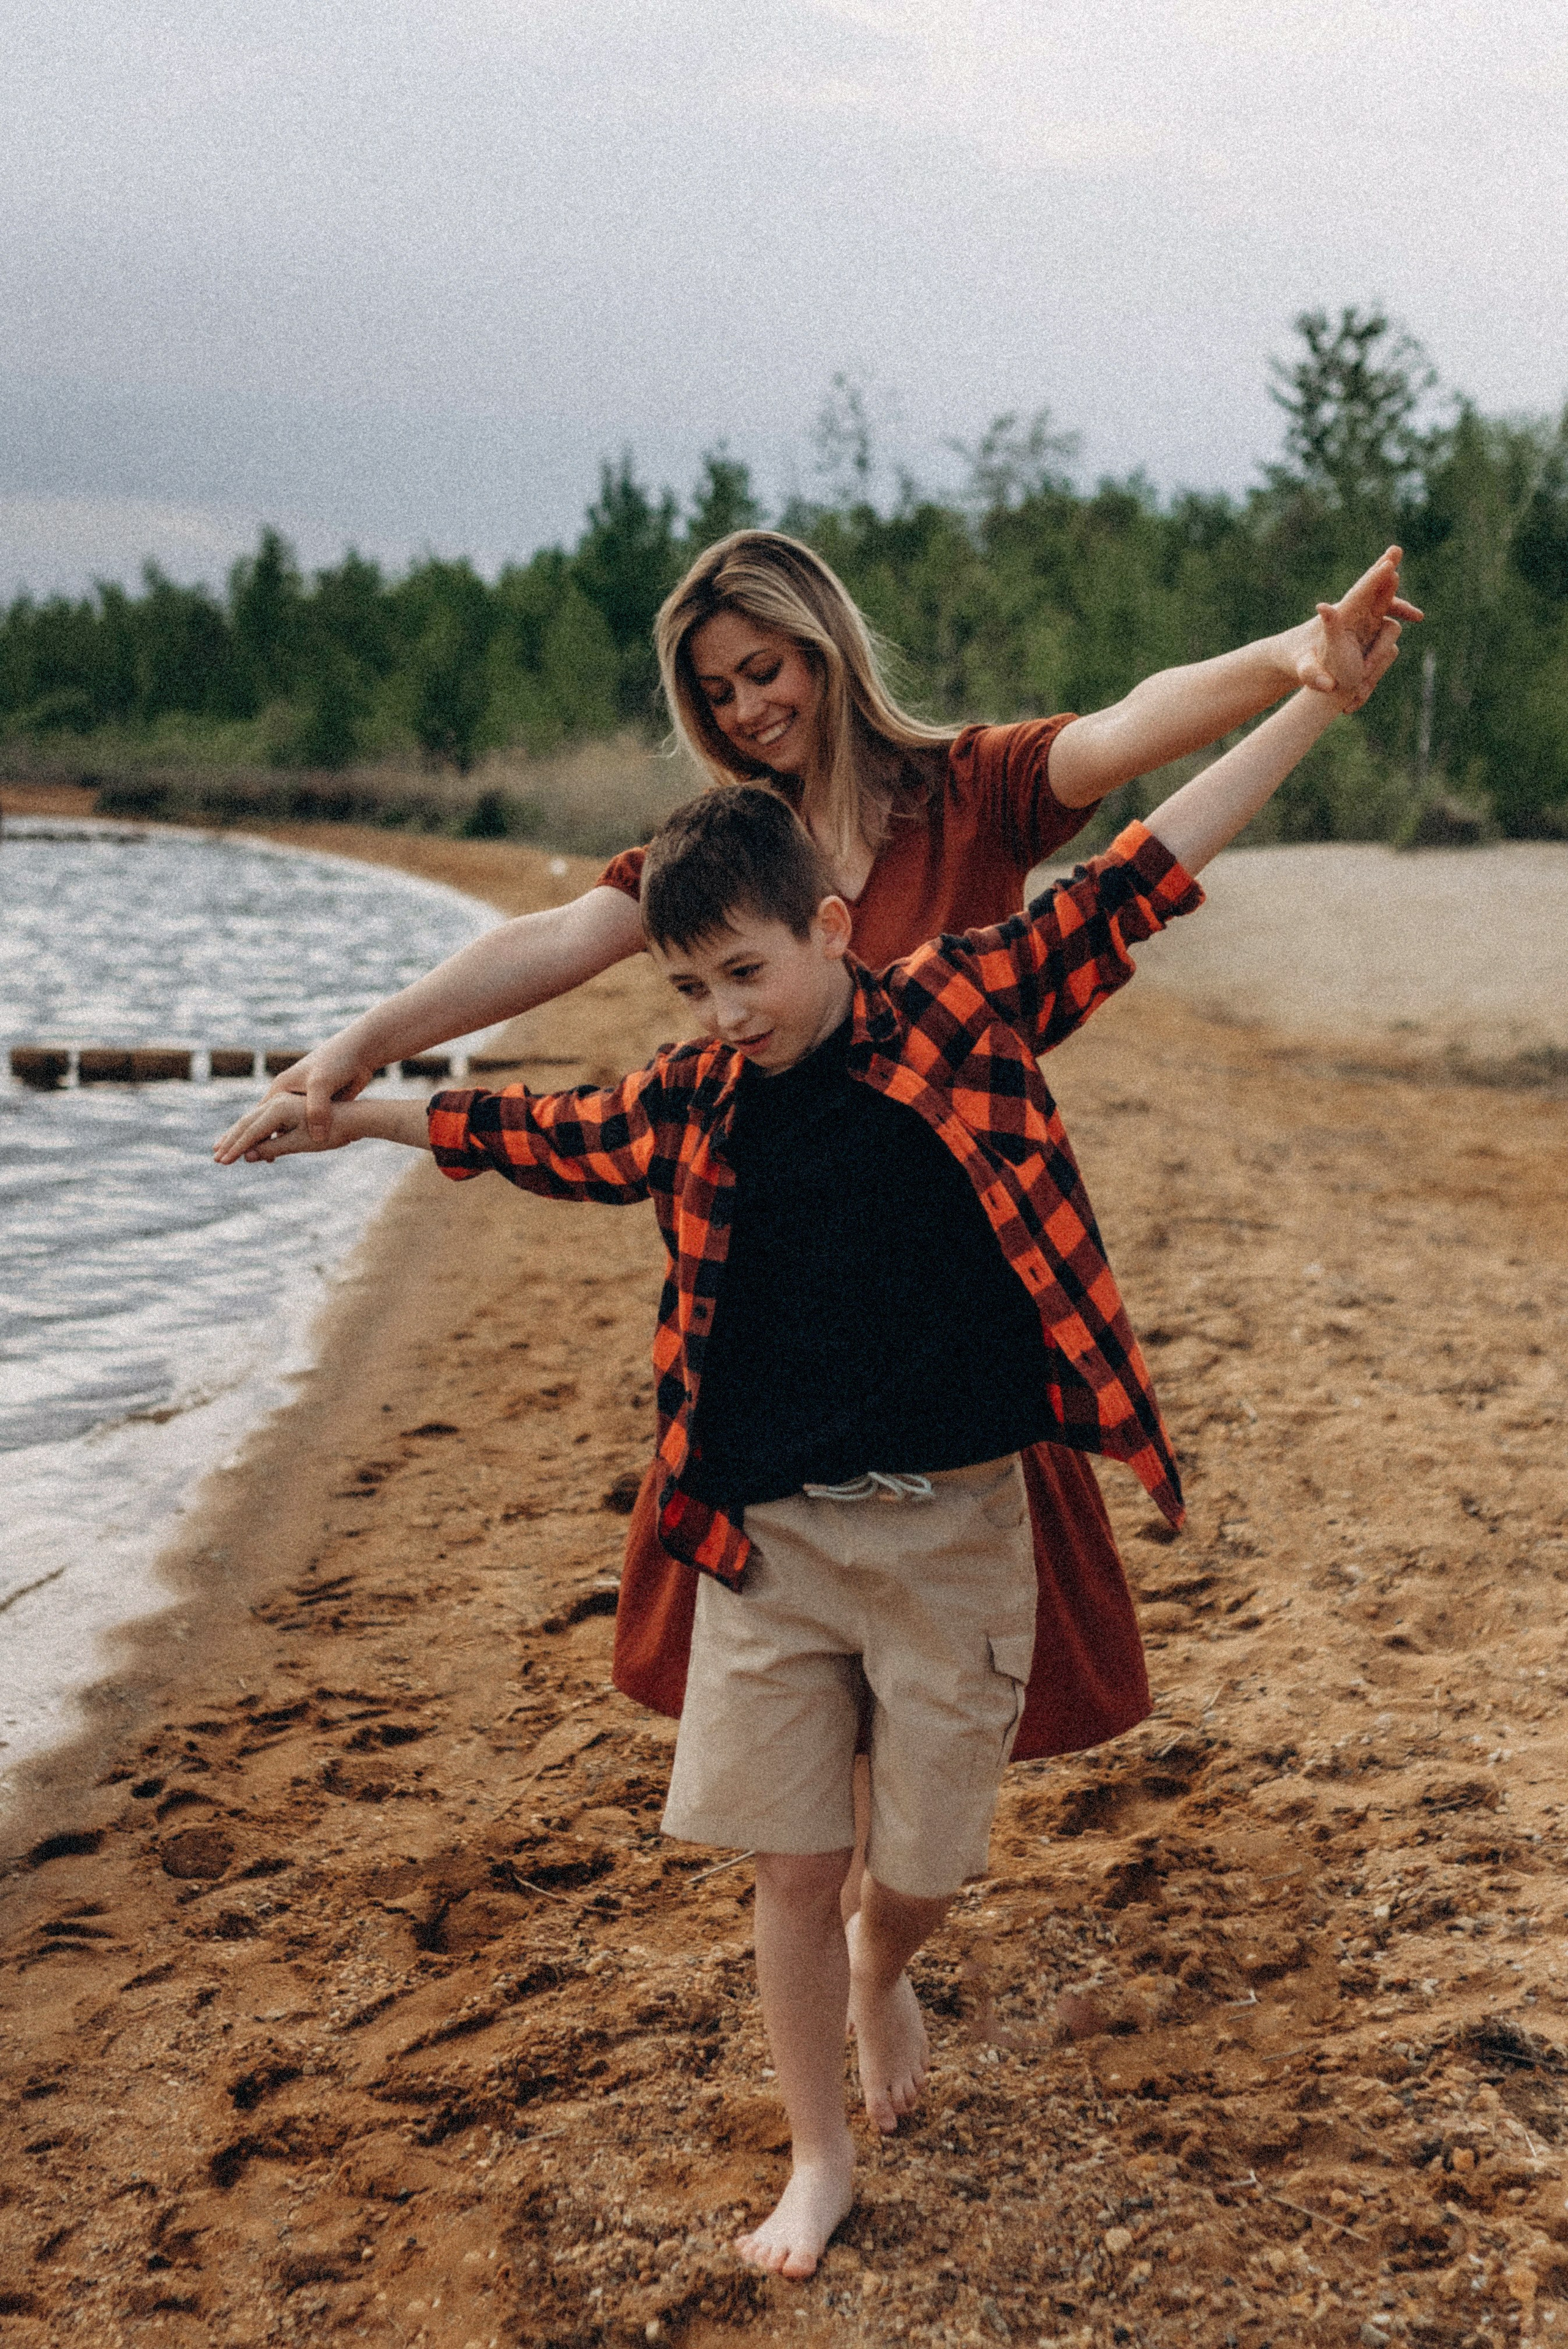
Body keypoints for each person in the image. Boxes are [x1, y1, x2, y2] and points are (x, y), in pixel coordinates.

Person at [228, 599, 1400, 2280]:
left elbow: (1150, 858)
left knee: (917, 1863)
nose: (723, 1011)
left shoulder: (964, 1001)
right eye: (692, 983)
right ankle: (819, 2153)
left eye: (749, 975)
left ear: (835, 927)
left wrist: (1309, 698)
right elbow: (532, 1126)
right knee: (790, 1863)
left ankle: (885, 1960)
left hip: (954, 1526)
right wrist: (350, 1103)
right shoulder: (692, 1089)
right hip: (766, 1544)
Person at [214, 533, 1421, 1785]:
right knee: (804, 1710)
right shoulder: (733, 850)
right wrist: (356, 1051)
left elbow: (1129, 739)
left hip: (951, 1300)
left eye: (763, 668)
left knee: (941, 1703)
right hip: (790, 1312)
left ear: (823, 647)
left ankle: (879, 1923)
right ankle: (843, 1932)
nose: (746, 709)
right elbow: (552, 940)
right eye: (717, 692)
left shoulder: (972, 787)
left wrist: (1293, 659)